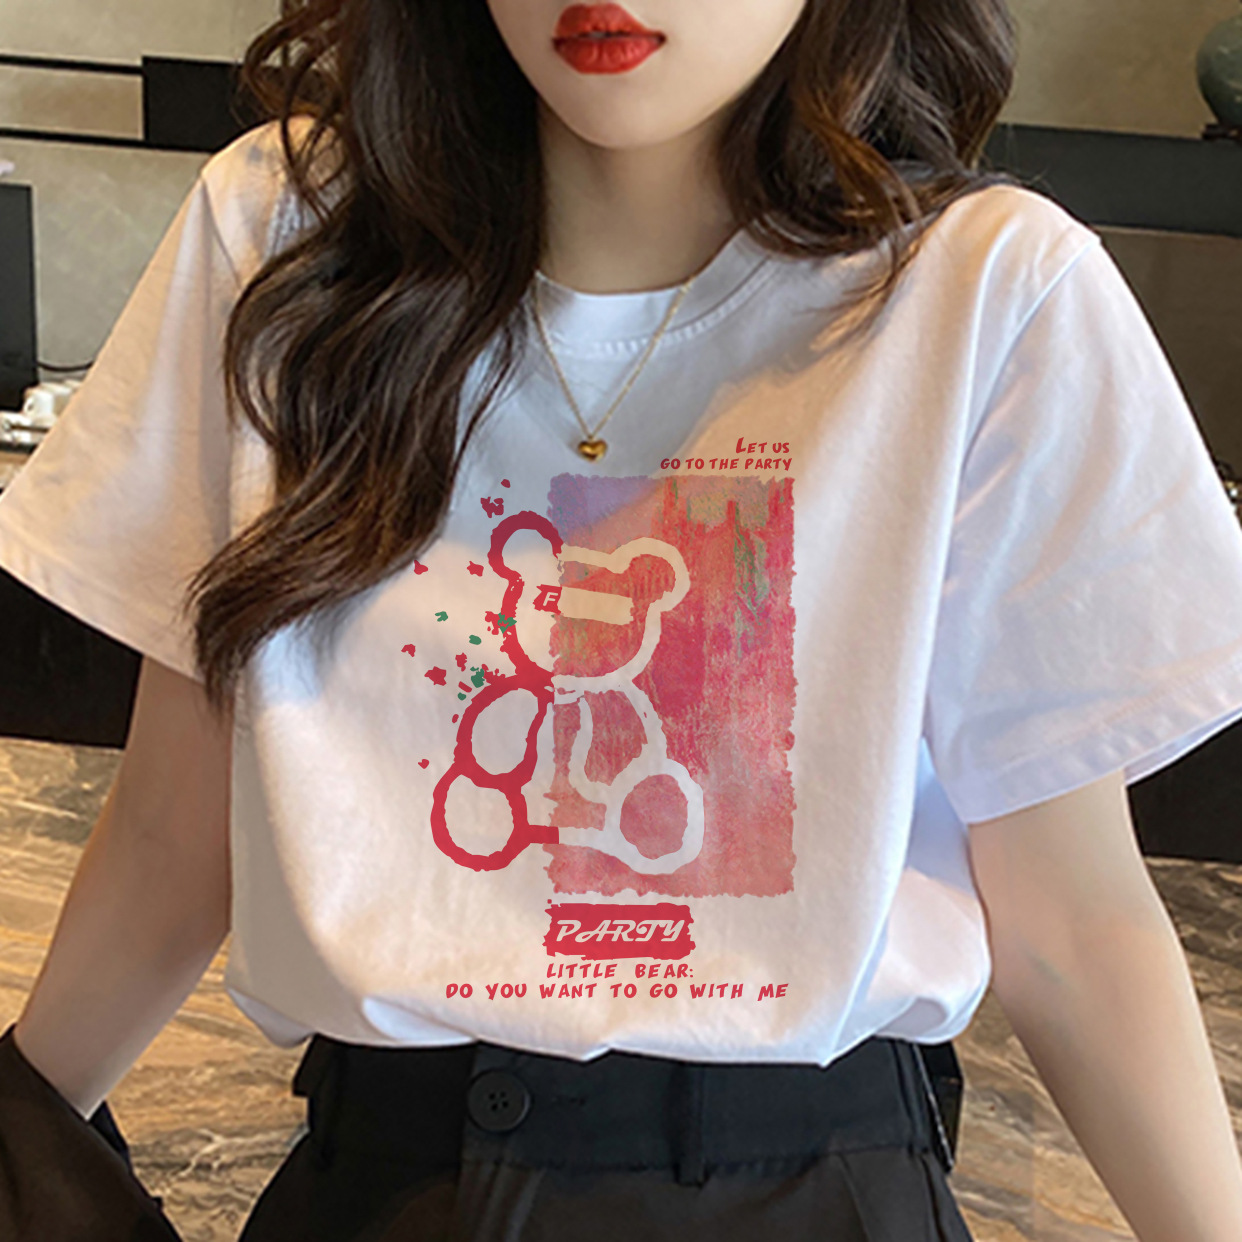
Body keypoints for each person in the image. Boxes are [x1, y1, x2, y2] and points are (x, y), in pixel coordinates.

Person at [1, 0, 1242, 1239]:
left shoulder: (986, 292)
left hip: (810, 1194)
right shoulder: (289, 240)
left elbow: (1072, 919)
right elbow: (173, 828)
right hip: (383, 1189)